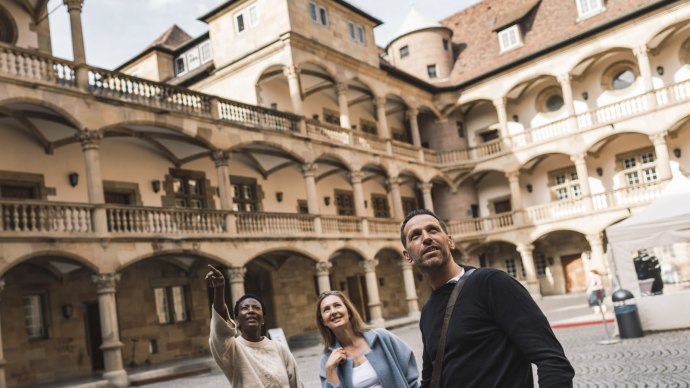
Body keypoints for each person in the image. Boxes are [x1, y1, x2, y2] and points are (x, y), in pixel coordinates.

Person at [400, 209, 574, 388]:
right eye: (415, 236)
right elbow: (430, 381)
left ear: (450, 241)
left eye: (433, 230)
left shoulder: (491, 284)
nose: (426, 238)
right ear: (407, 256)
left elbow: (552, 360)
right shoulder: (428, 312)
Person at [205, 264, 304, 388]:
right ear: (236, 320)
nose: (251, 311)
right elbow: (219, 334)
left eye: (256, 307)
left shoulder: (280, 349)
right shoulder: (233, 349)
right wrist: (219, 290)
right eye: (245, 308)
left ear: (263, 319)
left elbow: (296, 384)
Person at [316, 290, 419, 388]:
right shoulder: (327, 360)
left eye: (337, 305)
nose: (333, 311)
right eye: (326, 309)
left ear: (349, 311)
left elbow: (410, 374)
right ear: (323, 322)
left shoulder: (381, 338)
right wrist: (330, 369)